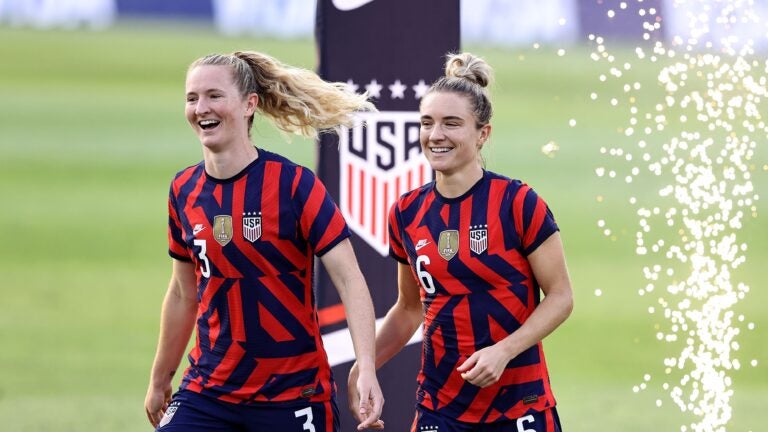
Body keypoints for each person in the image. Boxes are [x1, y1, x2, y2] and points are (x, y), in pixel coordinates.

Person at [144, 51, 385, 432]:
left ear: (249, 104)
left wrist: (366, 367)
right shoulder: (184, 190)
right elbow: (181, 293)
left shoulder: (294, 185)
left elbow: (350, 280)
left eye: (214, 96)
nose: (200, 108)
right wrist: (160, 377)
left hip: (292, 396)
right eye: (192, 98)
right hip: (209, 393)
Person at [348, 52, 574, 431]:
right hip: (441, 406)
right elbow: (407, 309)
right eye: (427, 123)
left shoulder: (517, 203)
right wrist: (365, 367)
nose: (436, 135)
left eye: (451, 124)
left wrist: (504, 351)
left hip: (521, 405)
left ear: (482, 134)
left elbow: (561, 297)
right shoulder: (406, 212)